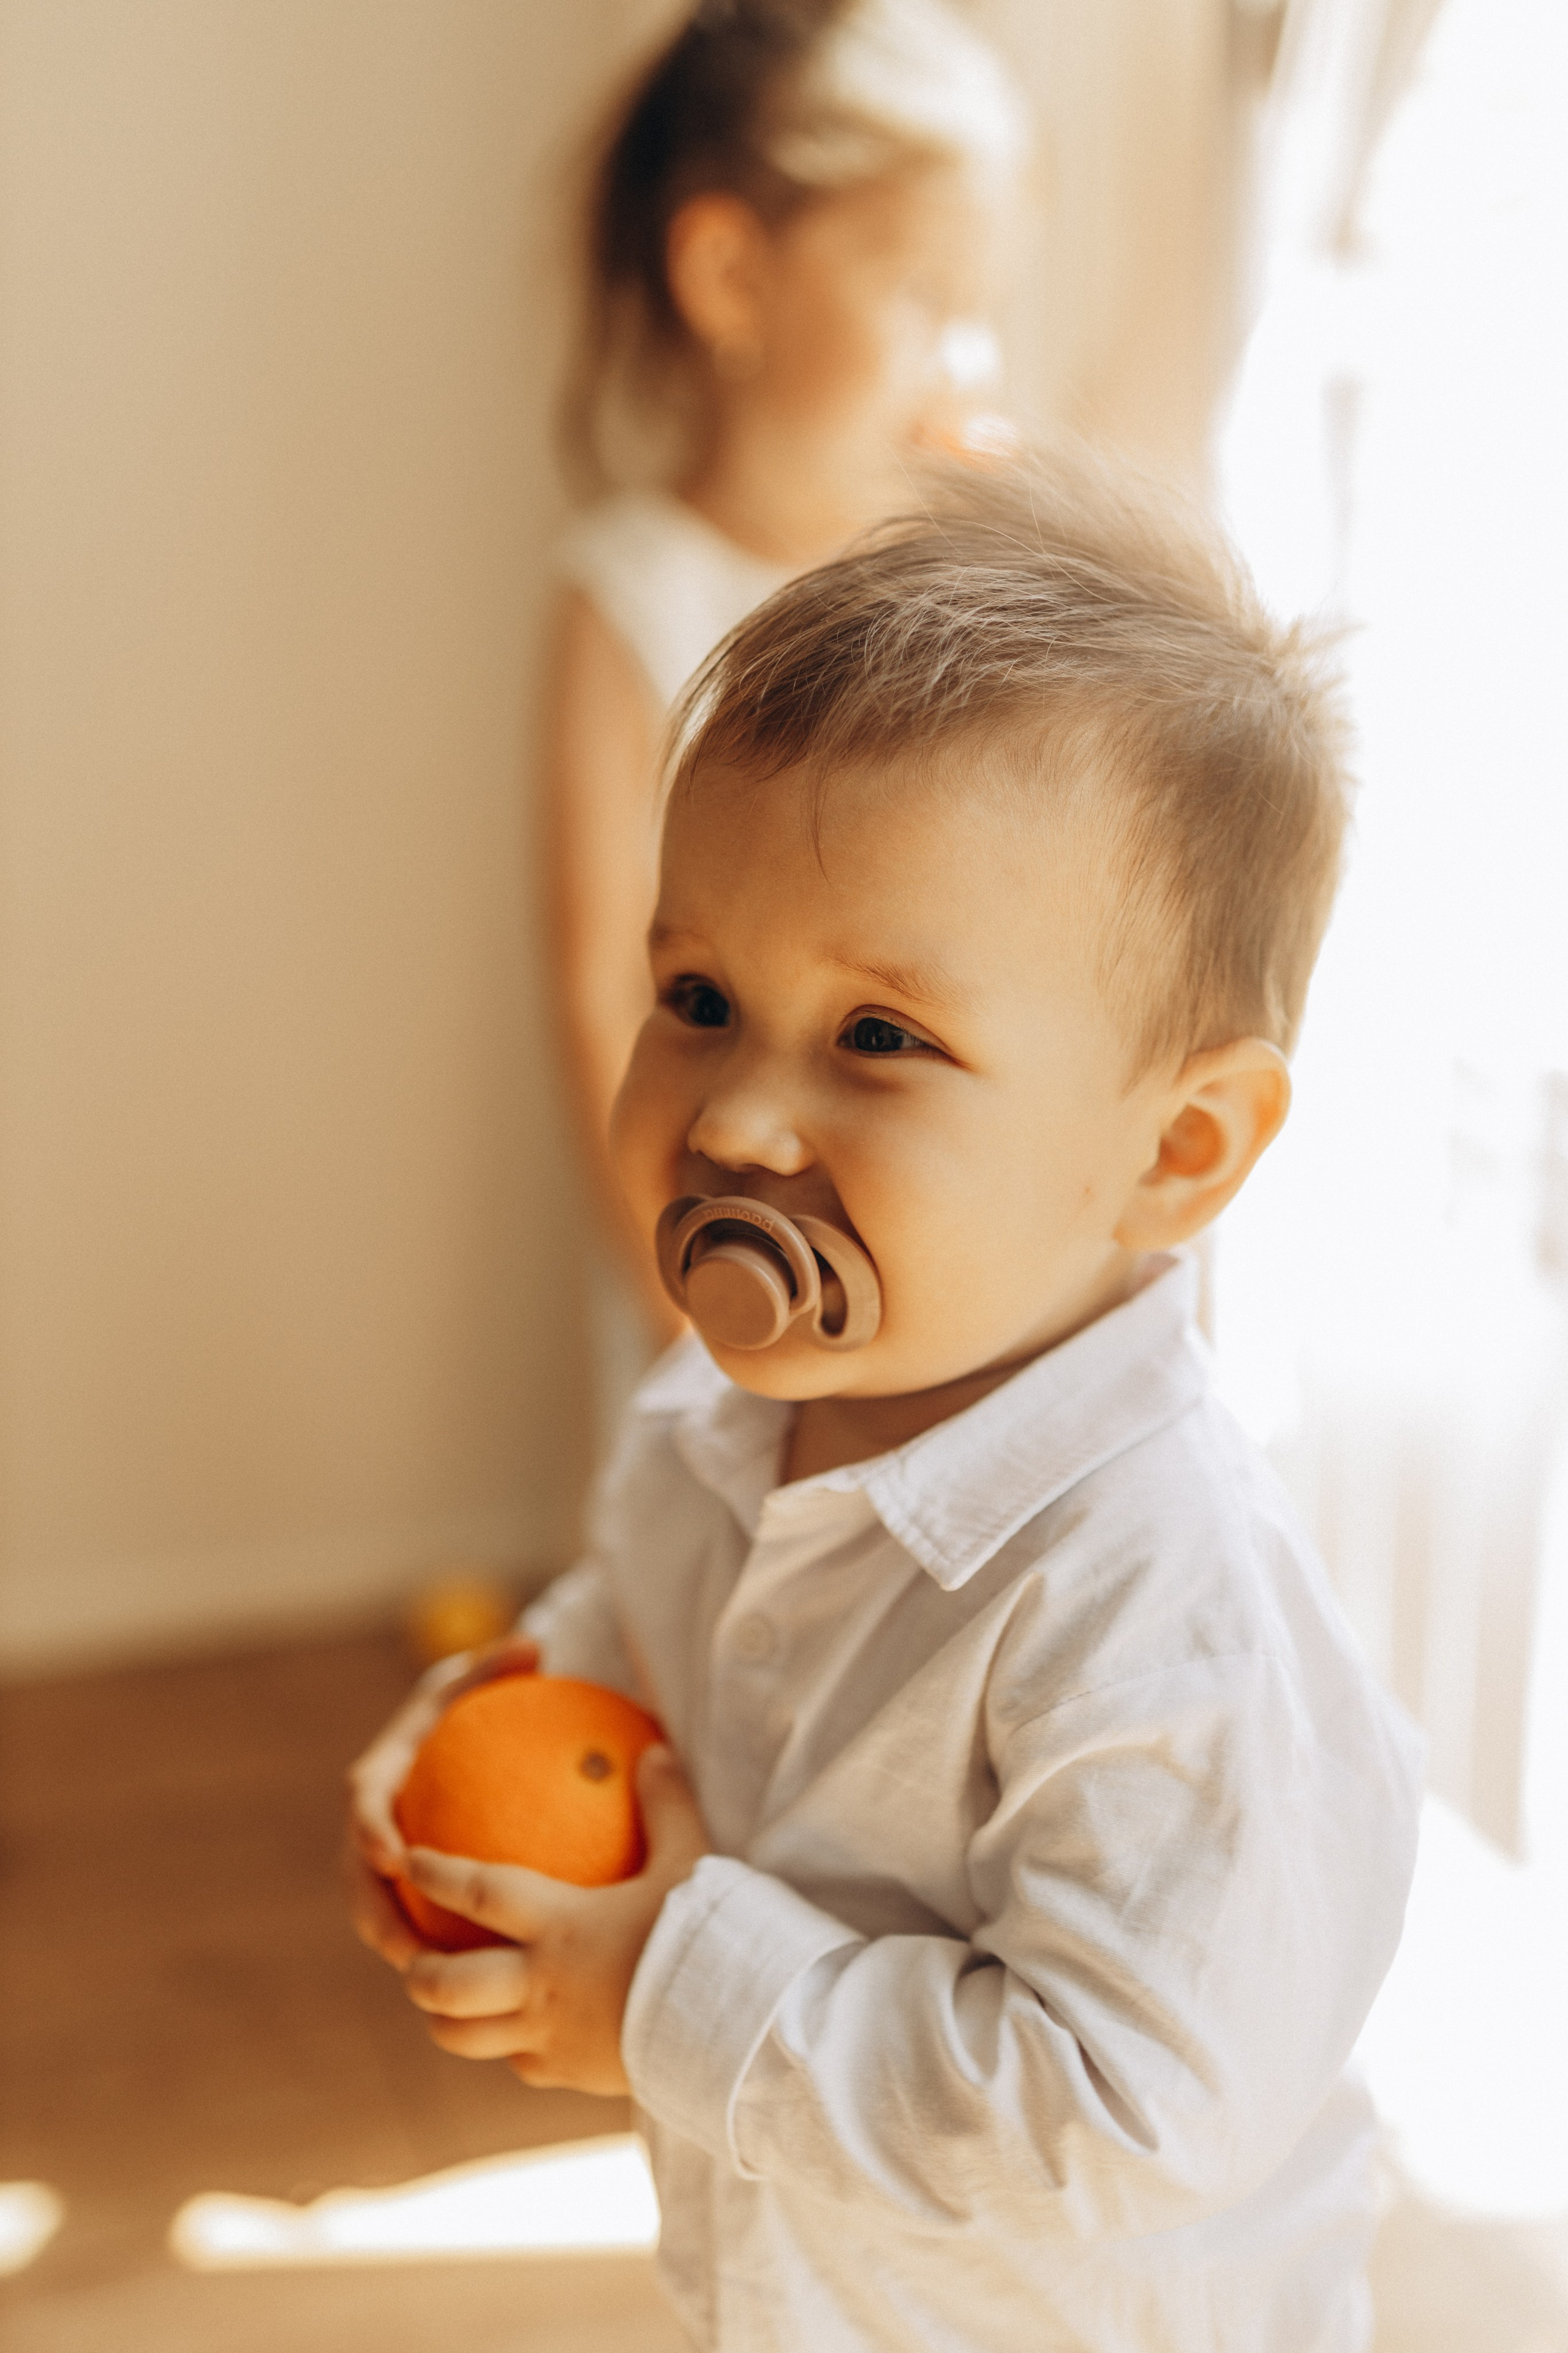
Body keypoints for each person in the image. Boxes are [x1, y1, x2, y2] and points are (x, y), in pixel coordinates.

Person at [350, 452, 1423, 2351]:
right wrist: (503, 1715)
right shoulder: (715, 1418)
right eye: (695, 996)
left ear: (1175, 1147)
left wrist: (666, 1992)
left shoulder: (1159, 1611)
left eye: (878, 1038)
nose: (738, 1117)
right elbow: (638, 1634)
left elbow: (1119, 2111)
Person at [543, 0, 1025, 1367]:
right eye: (925, 296)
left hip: (904, 1239)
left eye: (981, 315)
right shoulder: (632, 592)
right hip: (713, 1238)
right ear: (732, 279)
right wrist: (670, 1308)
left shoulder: (937, 571)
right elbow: (593, 980)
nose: (965, 362)